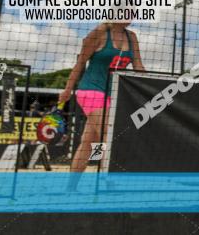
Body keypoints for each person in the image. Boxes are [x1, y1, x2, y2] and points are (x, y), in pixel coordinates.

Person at [59, 19, 144, 173]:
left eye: (134, 12)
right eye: (128, 12)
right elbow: (80, 63)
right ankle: (108, 181)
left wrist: (152, 86)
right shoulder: (99, 32)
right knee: (108, 134)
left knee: (88, 141)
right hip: (90, 90)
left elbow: (138, 66)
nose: (132, 16)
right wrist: (67, 90)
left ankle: (71, 188)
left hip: (113, 93)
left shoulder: (132, 37)